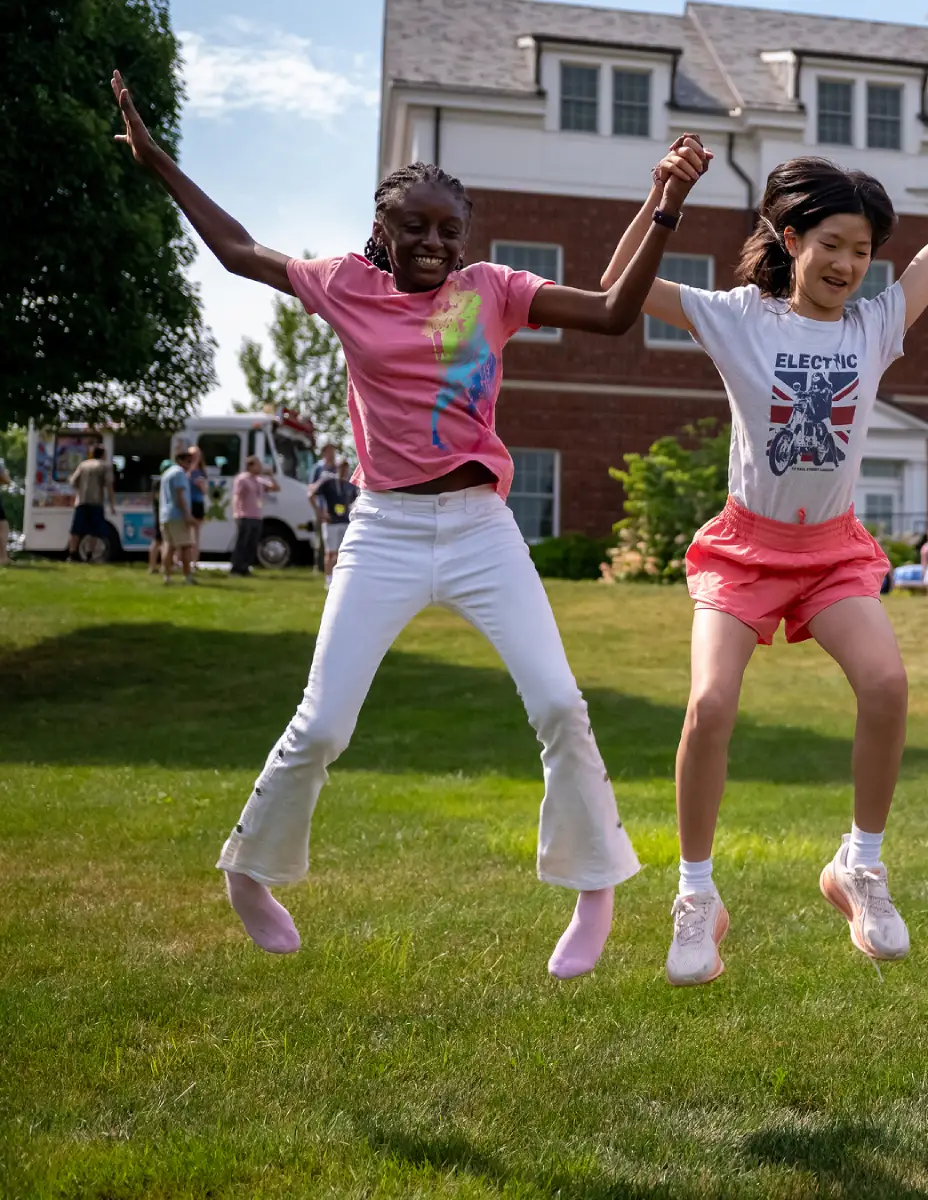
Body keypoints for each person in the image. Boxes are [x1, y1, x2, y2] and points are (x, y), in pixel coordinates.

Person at [112, 67, 704, 978]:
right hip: (384, 529)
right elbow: (237, 251)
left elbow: (613, 311)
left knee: (558, 704)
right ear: (381, 230)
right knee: (321, 727)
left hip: (480, 529)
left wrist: (663, 200)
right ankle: (250, 871)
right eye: (416, 227)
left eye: (449, 230)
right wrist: (157, 160)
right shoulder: (343, 285)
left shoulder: (493, 292)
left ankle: (595, 888)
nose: (434, 243)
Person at [600, 74, 928, 986]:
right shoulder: (741, 321)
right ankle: (697, 895)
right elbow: (619, 285)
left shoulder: (876, 325)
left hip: (830, 552)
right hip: (745, 549)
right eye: (832, 245)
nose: (849, 264)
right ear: (788, 241)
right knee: (708, 707)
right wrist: (667, 195)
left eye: (862, 250)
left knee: (887, 684)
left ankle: (861, 862)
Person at [309, 445, 356, 587]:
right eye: (341, 467)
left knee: (343, 553)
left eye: (346, 467)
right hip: (330, 521)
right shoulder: (328, 482)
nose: (344, 470)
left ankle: (340, 578)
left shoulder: (349, 485)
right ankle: (328, 580)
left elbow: (353, 500)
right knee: (330, 552)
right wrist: (320, 512)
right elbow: (311, 494)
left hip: (344, 521)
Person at [65, 445, 118, 562]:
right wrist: (112, 505)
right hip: (96, 502)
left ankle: (72, 554)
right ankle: (89, 554)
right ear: (103, 454)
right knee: (94, 530)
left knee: (76, 530)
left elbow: (73, 481)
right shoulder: (105, 466)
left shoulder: (83, 465)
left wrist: (81, 489)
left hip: (81, 501)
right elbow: (109, 486)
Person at [230, 454, 281, 576]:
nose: (260, 467)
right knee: (242, 542)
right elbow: (236, 496)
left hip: (256, 516)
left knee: (252, 543)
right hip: (244, 514)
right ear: (250, 466)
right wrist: (236, 512)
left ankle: (245, 567)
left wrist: (271, 476)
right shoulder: (242, 479)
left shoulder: (258, 481)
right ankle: (236, 567)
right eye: (258, 465)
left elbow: (276, 488)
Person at [157, 447, 197, 585]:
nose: (189, 465)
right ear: (179, 461)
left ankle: (167, 577)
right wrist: (187, 515)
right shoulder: (179, 473)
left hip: (165, 515)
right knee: (185, 546)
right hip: (177, 515)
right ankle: (188, 578)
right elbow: (180, 495)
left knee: (168, 546)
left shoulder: (167, 473)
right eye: (187, 461)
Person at [185, 445, 209, 566]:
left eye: (197, 455)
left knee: (195, 535)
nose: (195, 457)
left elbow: (205, 491)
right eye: (192, 455)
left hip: (197, 504)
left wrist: (201, 485)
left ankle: (194, 562)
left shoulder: (201, 472)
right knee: (186, 534)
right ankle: (182, 561)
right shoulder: (186, 470)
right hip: (187, 504)